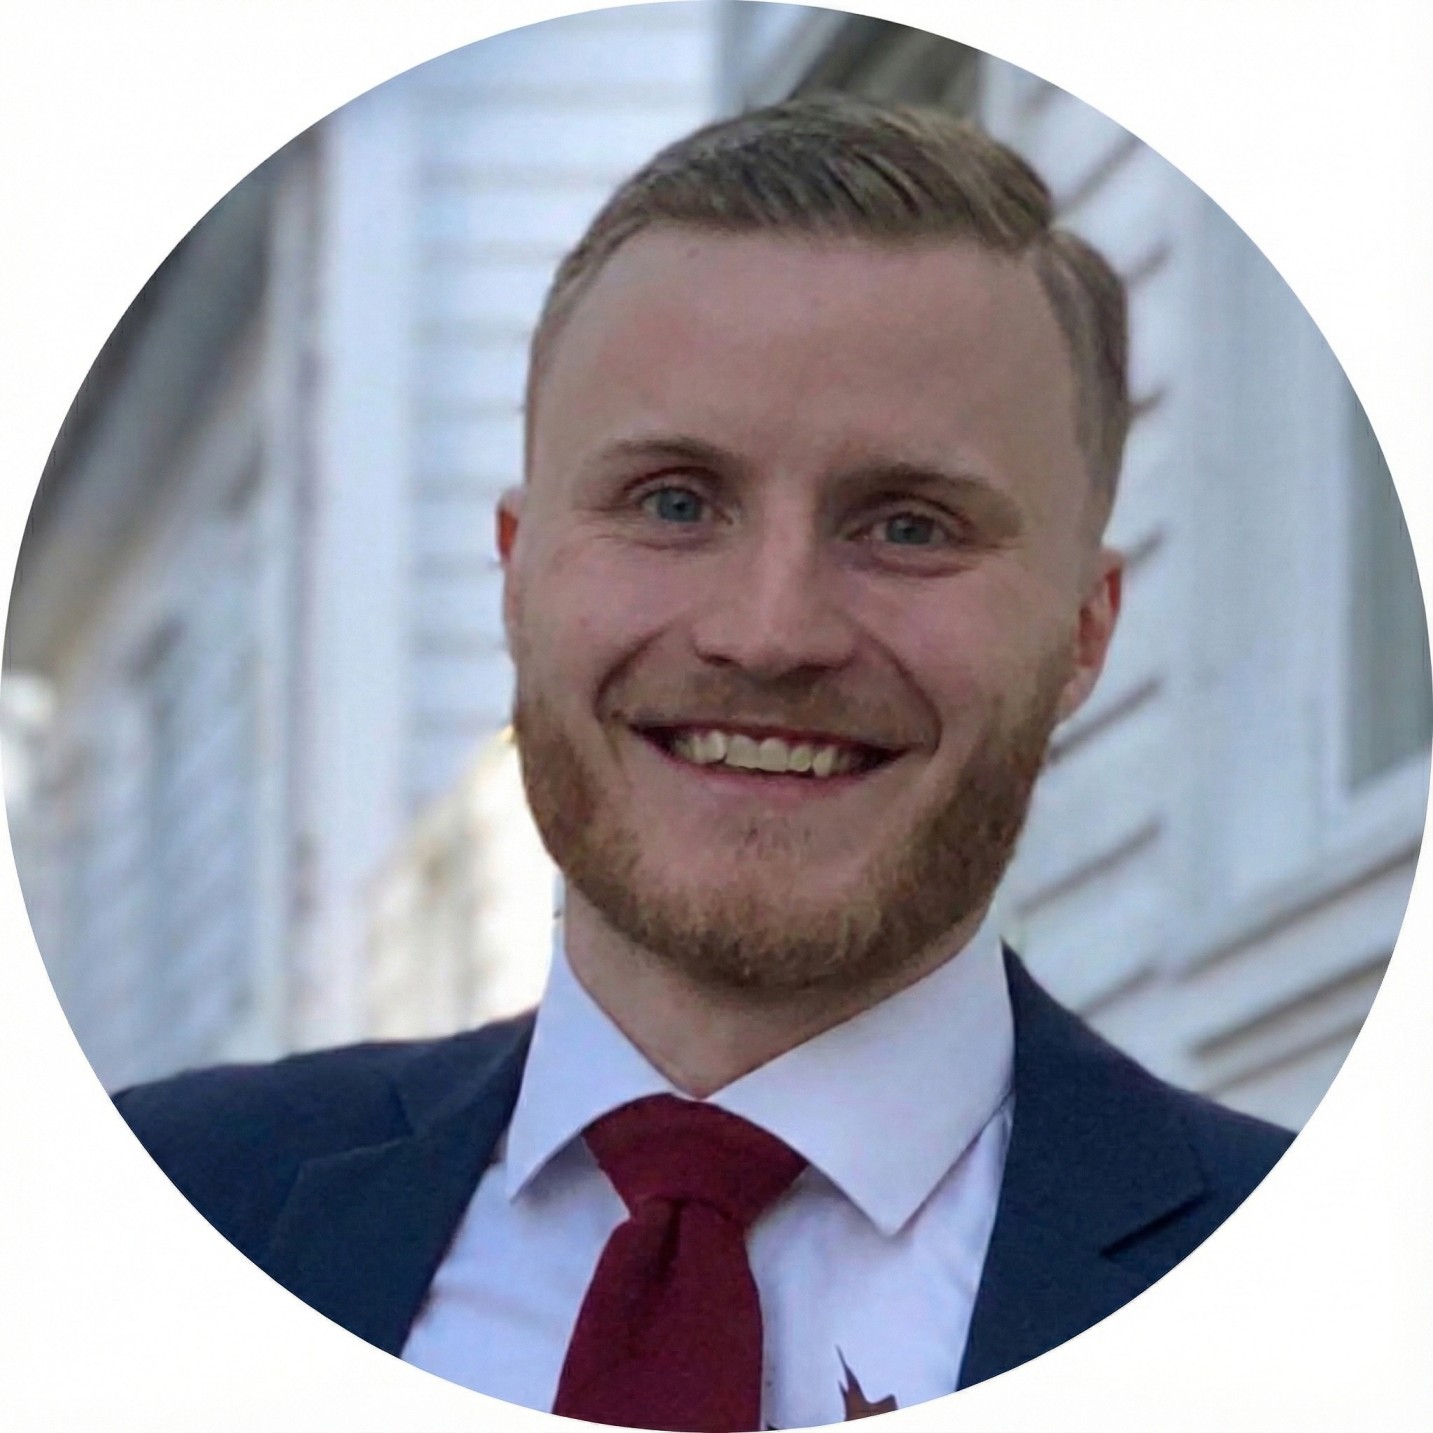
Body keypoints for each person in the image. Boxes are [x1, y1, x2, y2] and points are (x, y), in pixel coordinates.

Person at [116, 96, 1292, 1431]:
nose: (768, 632)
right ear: (516, 574)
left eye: (909, 525)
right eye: (672, 501)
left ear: (1083, 632)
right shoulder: (144, 1220)